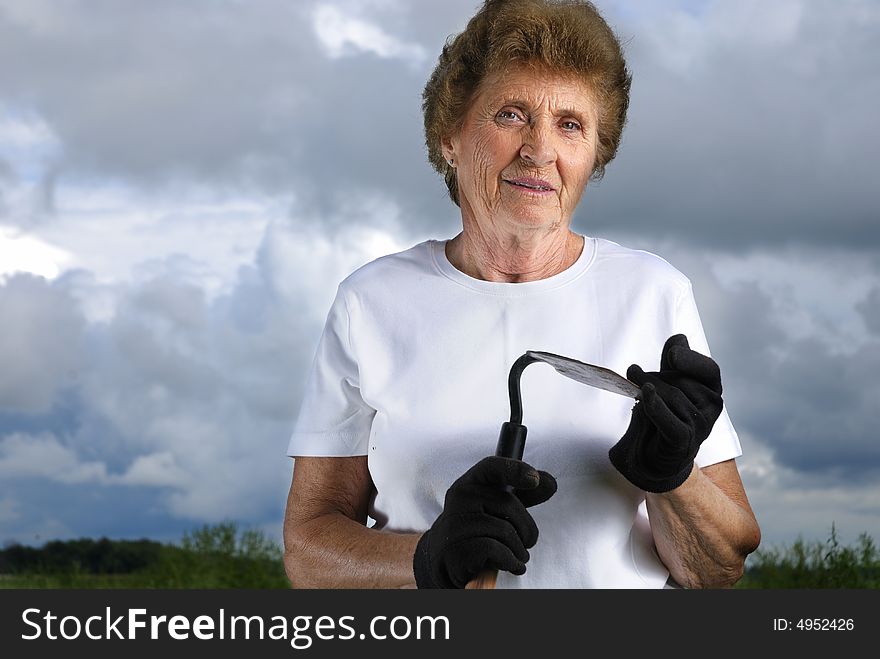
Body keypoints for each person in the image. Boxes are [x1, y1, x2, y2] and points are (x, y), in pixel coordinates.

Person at [283, 0, 761, 589]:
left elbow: (719, 569)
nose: (540, 151)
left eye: (570, 124)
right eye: (511, 115)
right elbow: (307, 550)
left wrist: (673, 477)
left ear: (595, 155)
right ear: (449, 135)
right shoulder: (370, 302)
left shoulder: (653, 293)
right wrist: (426, 558)